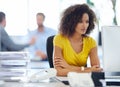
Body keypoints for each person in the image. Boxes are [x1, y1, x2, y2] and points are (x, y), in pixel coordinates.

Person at [53, 4, 102, 76]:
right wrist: (87, 70)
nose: (84, 25)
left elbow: (97, 70)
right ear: (71, 22)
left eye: (87, 21)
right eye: (80, 21)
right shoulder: (59, 39)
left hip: (82, 82)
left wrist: (68, 67)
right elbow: (59, 72)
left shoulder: (91, 42)